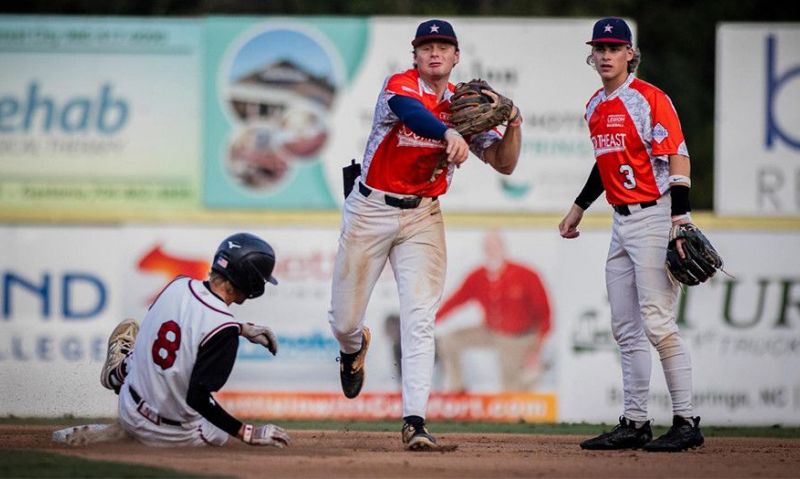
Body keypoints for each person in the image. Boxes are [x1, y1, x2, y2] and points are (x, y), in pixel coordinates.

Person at [327, 19, 522, 451]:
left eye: (443, 46)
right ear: (415, 55)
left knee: (420, 319)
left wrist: (514, 122)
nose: (435, 52)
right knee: (343, 321)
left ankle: (414, 422)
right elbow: (412, 113)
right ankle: (353, 348)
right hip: (371, 209)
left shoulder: (463, 104)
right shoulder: (399, 86)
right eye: (426, 46)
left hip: (423, 216)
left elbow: (504, 164)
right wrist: (450, 131)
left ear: (456, 57)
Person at [558, 17, 704, 452]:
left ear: (630, 54)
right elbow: (605, 165)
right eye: (599, 48)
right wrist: (578, 208)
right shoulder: (594, 106)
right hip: (622, 221)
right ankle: (635, 422)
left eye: (613, 48)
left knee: (658, 323)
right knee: (625, 327)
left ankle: (686, 421)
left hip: (657, 215)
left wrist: (680, 221)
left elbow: (677, 157)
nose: (605, 54)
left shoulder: (648, 99)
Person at [94, 233, 291, 448]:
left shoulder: (177, 285)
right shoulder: (224, 330)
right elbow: (197, 398)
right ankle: (135, 414)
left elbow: (191, 323)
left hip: (129, 409)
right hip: (168, 435)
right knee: (218, 432)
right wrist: (246, 432)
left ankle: (117, 373)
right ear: (249, 279)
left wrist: (241, 329)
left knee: (149, 345)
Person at [436, 230, 551, 392]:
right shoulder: (477, 276)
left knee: (512, 389)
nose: (491, 250)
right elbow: (455, 301)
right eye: (487, 247)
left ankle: (529, 378)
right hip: (491, 330)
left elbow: (545, 316)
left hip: (518, 339)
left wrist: (536, 350)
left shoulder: (526, 275)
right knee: (448, 341)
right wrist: (431, 320)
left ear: (503, 247)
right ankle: (457, 388)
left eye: (494, 246)